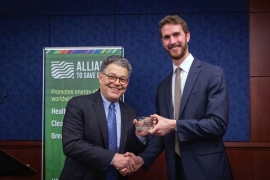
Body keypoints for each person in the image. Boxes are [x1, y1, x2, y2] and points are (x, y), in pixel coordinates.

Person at [132, 15, 233, 180]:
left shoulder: (213, 74)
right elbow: (162, 135)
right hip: (175, 169)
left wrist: (174, 125)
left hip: (208, 170)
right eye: (166, 37)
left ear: (187, 36)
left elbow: (218, 124)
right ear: (162, 42)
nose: (172, 41)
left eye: (176, 34)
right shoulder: (162, 87)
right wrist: (142, 159)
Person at [59, 55, 146, 180]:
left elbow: (128, 151)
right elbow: (72, 145)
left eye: (123, 79)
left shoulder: (130, 111)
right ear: (100, 77)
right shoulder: (78, 104)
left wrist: (140, 137)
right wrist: (112, 158)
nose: (117, 83)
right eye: (111, 77)